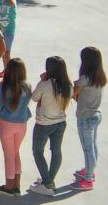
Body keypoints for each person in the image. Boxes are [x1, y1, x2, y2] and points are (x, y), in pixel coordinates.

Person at [29, 56, 72, 197]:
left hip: (43, 124)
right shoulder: (68, 86)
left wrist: (41, 81)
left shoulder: (45, 84)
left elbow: (34, 97)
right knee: (56, 151)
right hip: (60, 123)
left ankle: (47, 183)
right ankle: (50, 179)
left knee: (38, 151)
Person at [0, 58, 32, 197]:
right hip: (22, 123)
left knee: (8, 155)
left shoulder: (2, 88)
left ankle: (9, 186)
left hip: (6, 123)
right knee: (16, 153)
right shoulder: (27, 87)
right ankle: (16, 185)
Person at [71, 47, 106, 191]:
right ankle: (90, 171)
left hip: (85, 117)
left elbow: (74, 94)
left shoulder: (85, 78)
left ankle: (88, 179)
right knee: (93, 146)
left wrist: (74, 86)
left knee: (87, 149)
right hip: (96, 115)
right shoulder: (100, 76)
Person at [0, 0, 17, 75]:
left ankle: (9, 72)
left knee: (7, 52)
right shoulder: (1, 3)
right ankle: (5, 70)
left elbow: (12, 3)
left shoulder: (13, 2)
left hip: (9, 30)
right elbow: (0, 15)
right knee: (2, 51)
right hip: (1, 30)